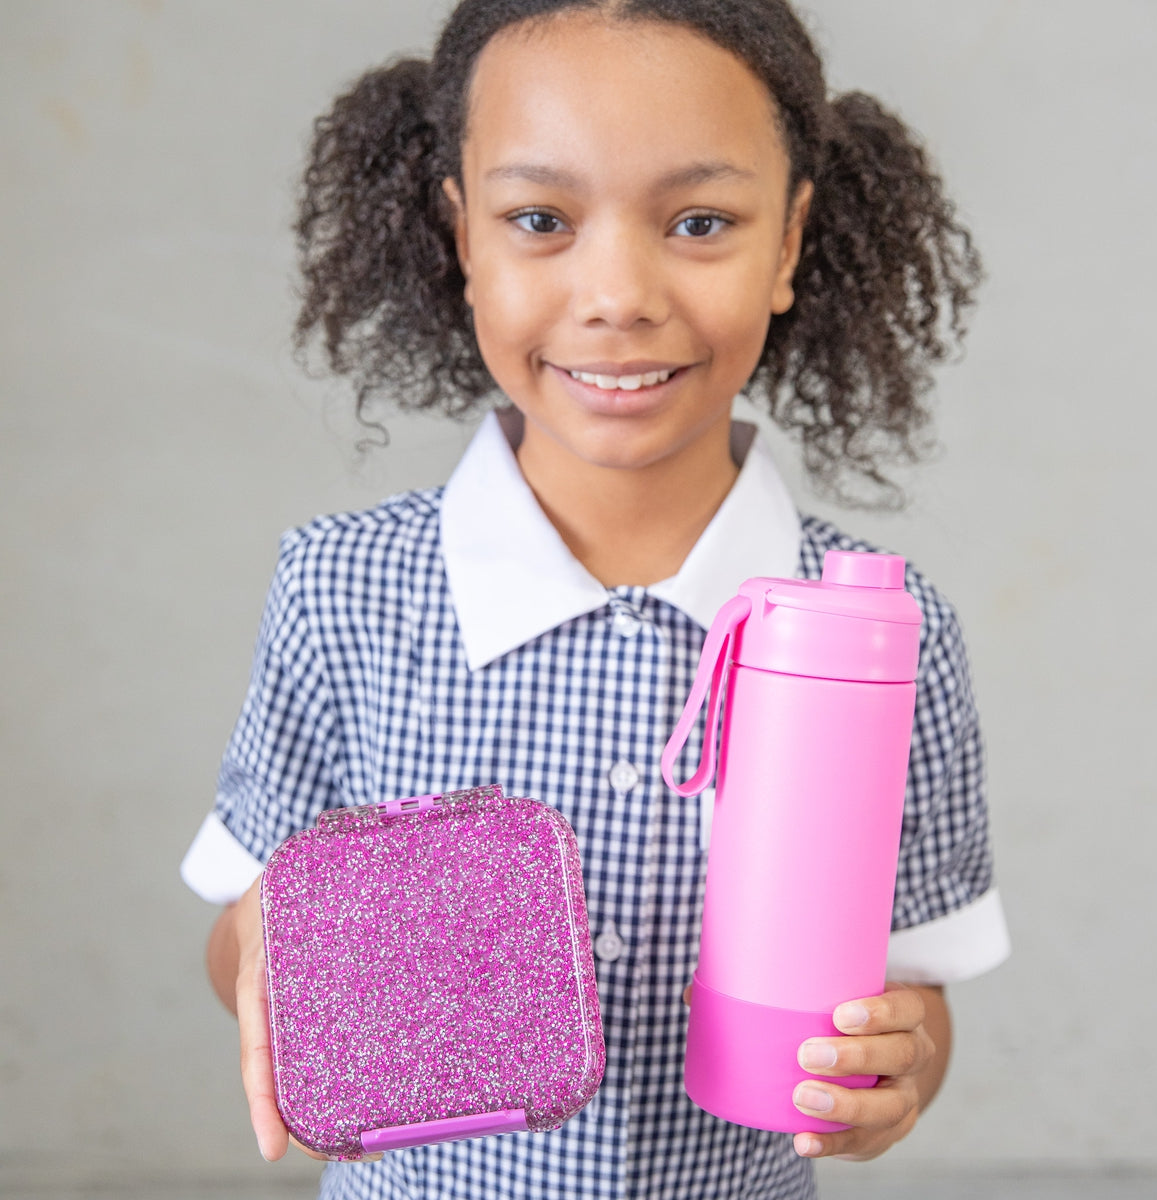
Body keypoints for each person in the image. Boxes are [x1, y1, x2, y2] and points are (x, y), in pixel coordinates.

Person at [180, 1, 1011, 1197]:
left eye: (700, 222)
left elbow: (914, 988)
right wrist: (275, 939)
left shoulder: (882, 630)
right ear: (463, 234)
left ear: (788, 245)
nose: (617, 293)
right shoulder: (340, 590)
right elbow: (238, 927)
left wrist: (898, 1068)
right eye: (538, 220)